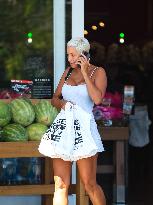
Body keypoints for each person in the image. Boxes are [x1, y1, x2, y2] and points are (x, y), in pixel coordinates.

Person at [39, 37, 107, 205]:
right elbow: (54, 98)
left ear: (83, 55)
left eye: (72, 55)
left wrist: (84, 72)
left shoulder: (98, 72)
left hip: (84, 130)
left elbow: (97, 99)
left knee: (89, 184)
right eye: (68, 55)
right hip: (64, 128)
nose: (69, 59)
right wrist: (62, 103)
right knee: (60, 185)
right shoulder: (67, 72)